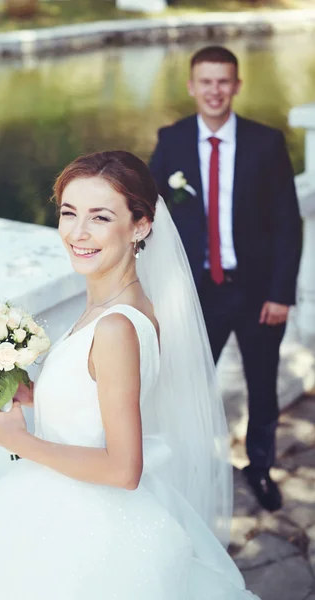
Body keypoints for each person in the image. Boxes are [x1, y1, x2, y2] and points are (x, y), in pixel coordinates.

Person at [0, 151, 259, 599]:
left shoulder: (117, 325)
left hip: (88, 521)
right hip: (68, 497)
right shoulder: (117, 306)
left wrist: (19, 442)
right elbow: (99, 401)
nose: (77, 233)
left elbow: (124, 469)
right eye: (69, 213)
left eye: (100, 217)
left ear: (140, 226)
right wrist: (37, 394)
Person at [149, 46, 302, 512]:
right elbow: (149, 212)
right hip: (198, 295)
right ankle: (190, 469)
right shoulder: (171, 140)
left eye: (223, 81)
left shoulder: (266, 142)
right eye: (206, 81)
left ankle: (260, 468)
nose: (214, 90)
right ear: (192, 86)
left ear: (236, 85)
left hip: (258, 294)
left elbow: (288, 223)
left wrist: (280, 294)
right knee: (189, 386)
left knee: (262, 385)